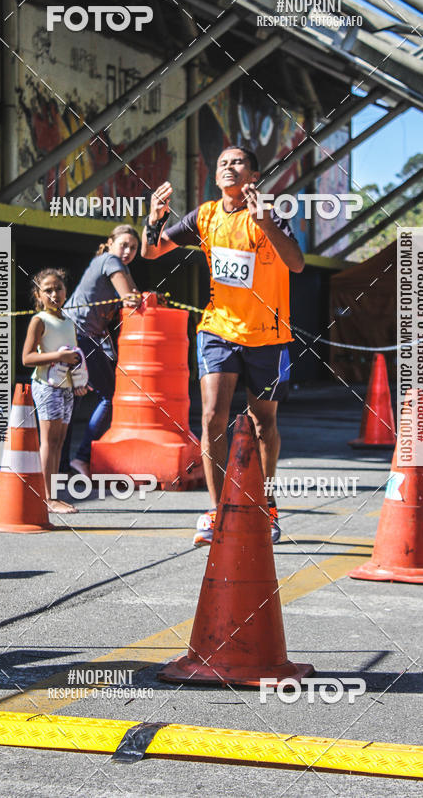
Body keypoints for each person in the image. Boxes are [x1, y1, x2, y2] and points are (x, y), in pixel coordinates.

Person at [142, 145, 304, 546]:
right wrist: (153, 218)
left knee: (264, 423)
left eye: (238, 163)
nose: (229, 168)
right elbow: (151, 250)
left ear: (253, 175)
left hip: (268, 334)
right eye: (222, 163)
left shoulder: (270, 212)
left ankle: (266, 507)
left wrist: (265, 222)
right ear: (215, 178)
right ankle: (218, 511)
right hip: (217, 328)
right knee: (213, 416)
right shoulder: (206, 215)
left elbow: (297, 264)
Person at [62, 225, 142, 477]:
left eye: (133, 247)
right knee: (111, 395)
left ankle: (62, 465)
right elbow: (131, 298)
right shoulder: (110, 260)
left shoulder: (112, 262)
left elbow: (134, 295)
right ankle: (82, 458)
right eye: (123, 245)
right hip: (79, 335)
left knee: (69, 401)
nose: (128, 251)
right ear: (110, 243)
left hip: (74, 334)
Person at [22, 268, 88, 514]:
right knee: (48, 441)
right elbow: (27, 358)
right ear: (38, 295)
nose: (54, 294)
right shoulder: (39, 320)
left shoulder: (69, 322)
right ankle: (46, 498)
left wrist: (80, 380)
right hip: (47, 387)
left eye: (58, 288)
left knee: (60, 441)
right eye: (47, 290)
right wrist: (57, 356)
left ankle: (53, 495)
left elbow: (74, 357)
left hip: (67, 388)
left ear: (65, 291)